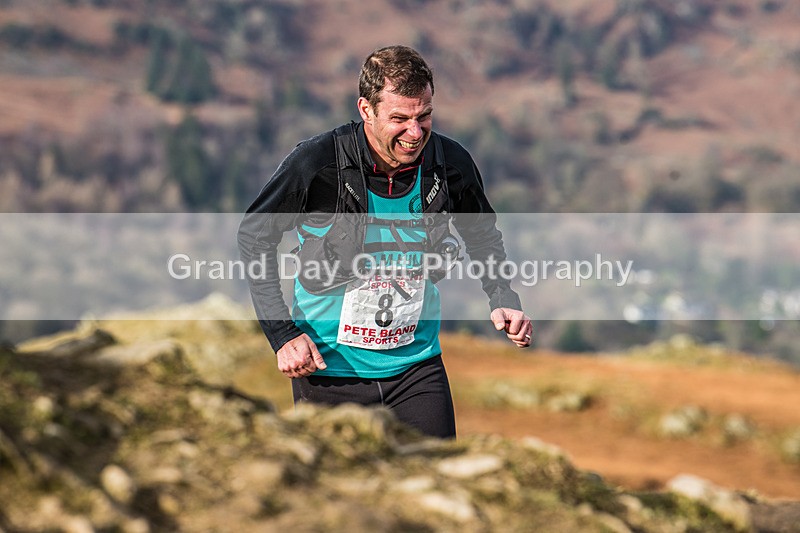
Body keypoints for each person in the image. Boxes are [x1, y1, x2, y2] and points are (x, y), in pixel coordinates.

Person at [238, 45, 531, 439]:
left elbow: (480, 231)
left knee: (438, 489)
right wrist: (282, 335)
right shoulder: (317, 164)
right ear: (366, 110)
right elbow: (255, 235)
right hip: (329, 370)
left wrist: (502, 296)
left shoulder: (450, 162)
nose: (415, 133)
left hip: (417, 368)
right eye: (399, 119)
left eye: (424, 116)